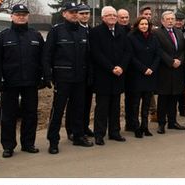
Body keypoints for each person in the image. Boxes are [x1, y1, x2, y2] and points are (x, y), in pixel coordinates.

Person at [43, 2, 93, 154]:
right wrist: (47, 75)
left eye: (76, 12)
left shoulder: (83, 32)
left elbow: (88, 57)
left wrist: (89, 75)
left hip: (80, 78)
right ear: (64, 14)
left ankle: (78, 136)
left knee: (78, 109)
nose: (74, 14)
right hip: (63, 78)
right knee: (58, 110)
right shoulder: (57, 31)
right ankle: (53, 140)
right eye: (70, 12)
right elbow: (47, 54)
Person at [0, 4, 44, 158]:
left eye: (24, 14)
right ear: (12, 16)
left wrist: (43, 76)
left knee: (30, 114)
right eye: (18, 14)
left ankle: (28, 143)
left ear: (28, 17)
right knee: (8, 116)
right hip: (10, 83)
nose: (21, 17)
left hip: (31, 82)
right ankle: (8, 146)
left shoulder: (35, 36)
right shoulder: (3, 36)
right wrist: (1, 79)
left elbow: (42, 58)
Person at [89, 6, 130, 145]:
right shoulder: (96, 32)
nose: (112, 17)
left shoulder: (121, 31)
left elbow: (127, 52)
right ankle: (99, 134)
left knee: (116, 106)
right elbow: (96, 53)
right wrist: (111, 68)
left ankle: (114, 132)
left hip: (119, 75)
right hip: (103, 75)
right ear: (103, 18)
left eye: (114, 15)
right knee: (102, 106)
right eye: (109, 15)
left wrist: (121, 67)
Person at [126, 16, 161, 138]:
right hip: (137, 75)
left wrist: (152, 68)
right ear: (137, 25)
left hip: (150, 75)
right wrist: (143, 69)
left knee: (146, 104)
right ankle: (136, 127)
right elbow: (131, 57)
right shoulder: (131, 37)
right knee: (135, 104)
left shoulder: (153, 37)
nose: (144, 26)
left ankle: (145, 127)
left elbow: (158, 54)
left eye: (146, 24)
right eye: (142, 24)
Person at [154, 11, 185, 134]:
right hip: (164, 70)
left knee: (174, 97)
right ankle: (161, 124)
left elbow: (183, 50)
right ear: (162, 21)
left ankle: (172, 122)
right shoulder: (157, 33)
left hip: (178, 70)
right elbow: (158, 50)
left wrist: (179, 60)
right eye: (168, 19)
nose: (170, 21)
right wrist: (170, 61)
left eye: (172, 19)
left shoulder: (179, 32)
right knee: (163, 98)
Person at [66, 3, 94, 140]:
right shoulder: (74, 29)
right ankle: (71, 129)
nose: (84, 16)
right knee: (74, 103)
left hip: (88, 72)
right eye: (82, 13)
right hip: (74, 73)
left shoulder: (91, 30)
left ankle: (84, 126)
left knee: (87, 101)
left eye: (87, 13)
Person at [174, 10, 185, 117]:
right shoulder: (168, 31)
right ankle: (171, 110)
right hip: (171, 63)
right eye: (177, 20)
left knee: (182, 89)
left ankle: (183, 109)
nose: (179, 22)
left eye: (181, 20)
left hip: (184, 64)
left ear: (184, 21)